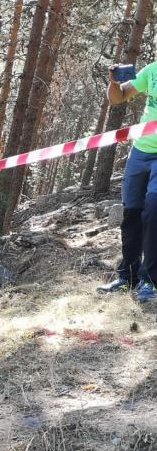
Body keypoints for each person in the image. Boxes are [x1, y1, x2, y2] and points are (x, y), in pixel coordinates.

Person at [98, 62, 157, 302]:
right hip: (141, 151)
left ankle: (151, 281)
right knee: (131, 213)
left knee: (153, 211)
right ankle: (127, 277)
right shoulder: (152, 70)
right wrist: (113, 82)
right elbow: (118, 97)